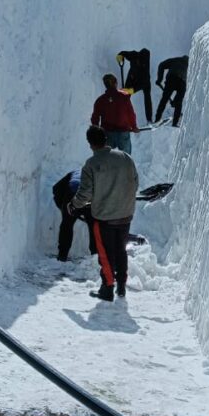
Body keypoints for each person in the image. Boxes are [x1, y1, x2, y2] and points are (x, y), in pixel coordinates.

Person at [69, 126, 139, 301]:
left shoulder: (91, 164)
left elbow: (85, 194)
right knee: (121, 250)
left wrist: (73, 205)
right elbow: (135, 182)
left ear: (91, 144)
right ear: (106, 139)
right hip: (125, 214)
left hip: (104, 217)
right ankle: (121, 286)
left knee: (106, 254)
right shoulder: (125, 157)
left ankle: (107, 288)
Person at [53, 170, 96, 262]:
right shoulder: (95, 174)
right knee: (93, 227)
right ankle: (95, 257)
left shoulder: (73, 173)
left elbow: (56, 189)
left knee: (67, 225)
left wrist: (63, 208)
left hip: (72, 194)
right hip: (90, 197)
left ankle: (62, 256)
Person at [91, 73, 139, 154]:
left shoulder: (100, 100)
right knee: (126, 158)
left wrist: (97, 132)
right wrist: (134, 126)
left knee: (105, 158)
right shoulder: (124, 97)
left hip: (107, 134)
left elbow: (95, 118)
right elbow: (131, 113)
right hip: (123, 132)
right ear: (115, 83)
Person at [117, 49, 152, 124]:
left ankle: (149, 119)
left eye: (141, 62)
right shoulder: (133, 54)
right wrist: (119, 57)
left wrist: (131, 91)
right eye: (138, 60)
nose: (139, 63)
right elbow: (122, 53)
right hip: (131, 77)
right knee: (124, 96)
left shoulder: (145, 71)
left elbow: (142, 84)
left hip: (143, 82)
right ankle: (121, 117)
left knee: (147, 97)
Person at [155, 55, 189, 127]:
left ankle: (157, 120)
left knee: (164, 99)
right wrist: (175, 101)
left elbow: (161, 65)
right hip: (182, 82)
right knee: (178, 104)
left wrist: (159, 79)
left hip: (172, 79)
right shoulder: (190, 66)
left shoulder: (176, 60)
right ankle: (175, 123)